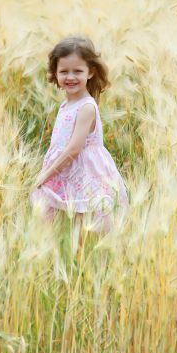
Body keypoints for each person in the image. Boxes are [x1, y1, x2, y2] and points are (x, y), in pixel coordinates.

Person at [29, 35, 129, 255]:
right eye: (64, 71)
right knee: (64, 222)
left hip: (83, 173)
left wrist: (45, 175)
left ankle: (84, 263)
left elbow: (74, 149)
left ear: (90, 72)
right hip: (65, 168)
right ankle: (68, 261)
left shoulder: (86, 107)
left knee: (84, 222)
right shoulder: (66, 104)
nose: (70, 77)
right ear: (55, 73)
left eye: (77, 71)